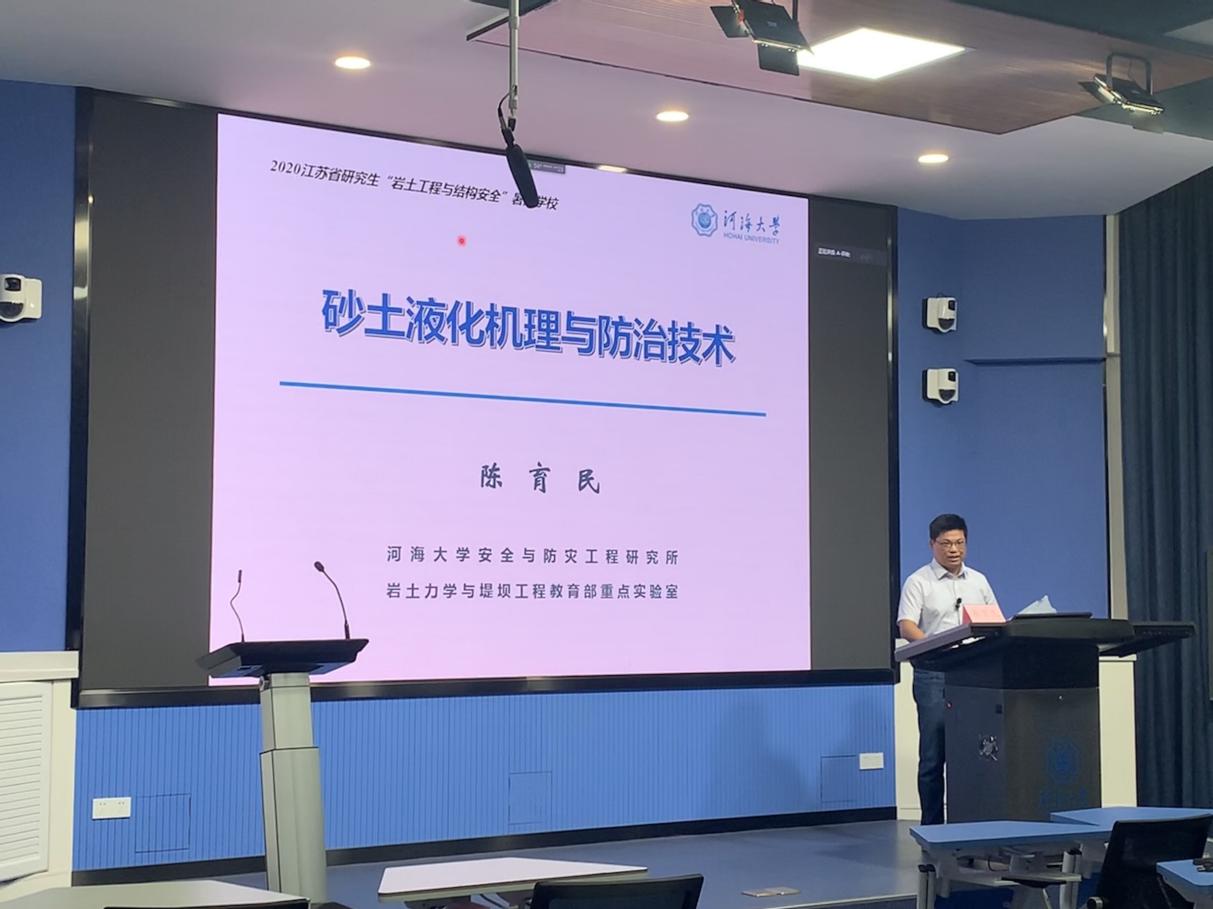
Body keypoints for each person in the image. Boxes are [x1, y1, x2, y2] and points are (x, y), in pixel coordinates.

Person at [897, 513, 998, 825]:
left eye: (959, 543)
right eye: (946, 544)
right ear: (932, 544)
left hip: (973, 673)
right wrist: (933, 644)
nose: (954, 549)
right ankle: (932, 829)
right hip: (934, 672)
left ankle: (971, 823)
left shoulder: (979, 581)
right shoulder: (919, 582)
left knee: (975, 751)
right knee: (933, 755)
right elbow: (906, 625)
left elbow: (994, 620)